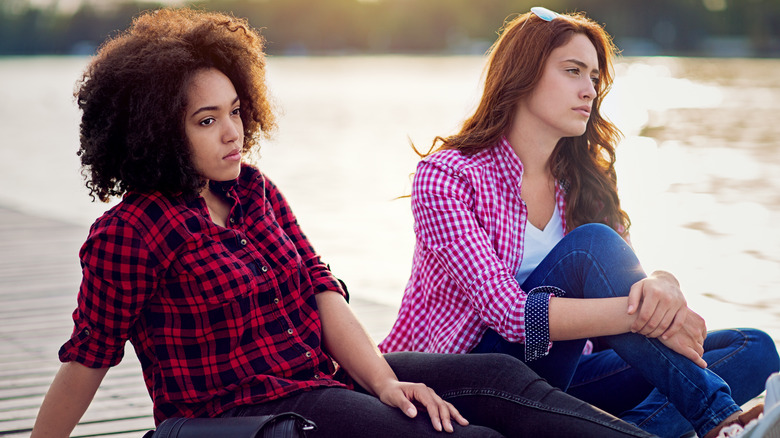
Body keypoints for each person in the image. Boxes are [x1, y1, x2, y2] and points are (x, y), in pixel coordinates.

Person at [29, 8, 661, 438]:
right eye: (205, 120)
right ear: (154, 132)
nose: (232, 132)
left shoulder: (254, 191)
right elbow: (88, 359)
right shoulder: (129, 234)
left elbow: (321, 287)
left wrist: (386, 382)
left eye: (235, 111)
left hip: (323, 377)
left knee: (498, 376)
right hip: (251, 415)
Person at [379, 7, 780, 438]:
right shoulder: (448, 175)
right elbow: (511, 314)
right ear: (523, 74)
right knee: (591, 246)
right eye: (573, 71)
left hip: (559, 370)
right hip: (461, 376)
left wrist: (663, 285)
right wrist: (641, 316)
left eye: (594, 77)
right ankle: (718, 418)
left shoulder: (584, 181)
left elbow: (622, 279)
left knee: (753, 349)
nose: (589, 89)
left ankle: (629, 431)